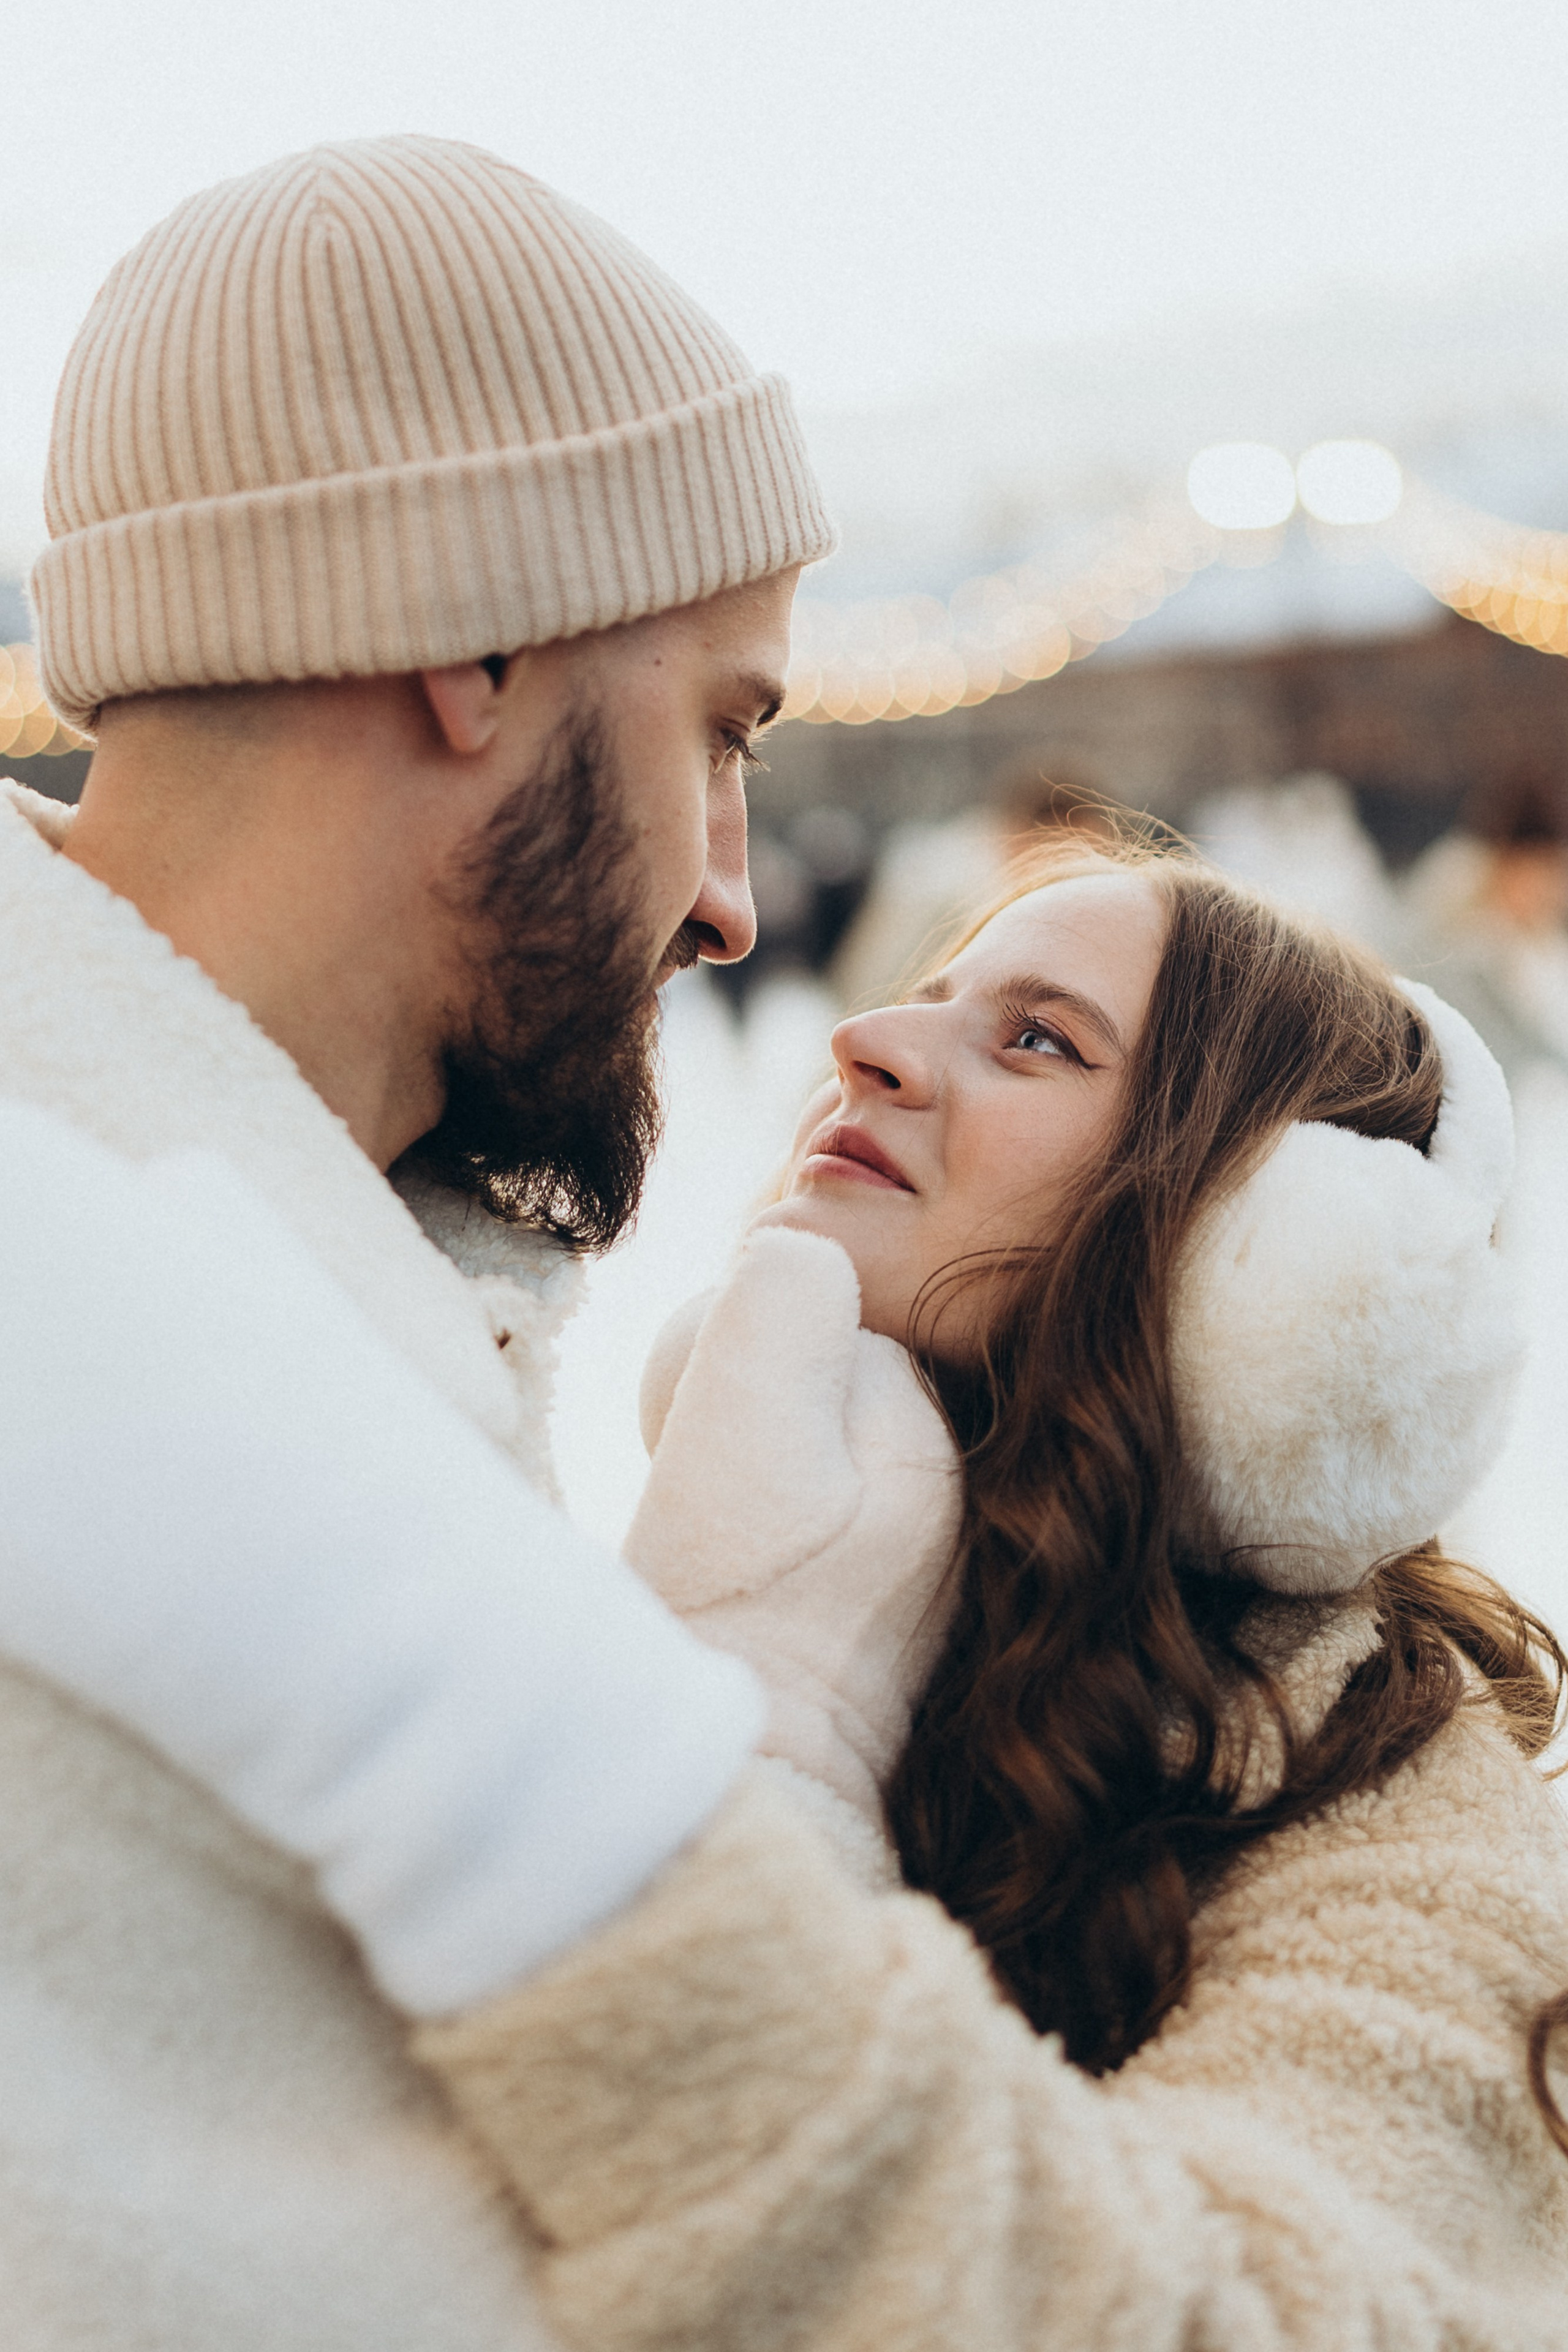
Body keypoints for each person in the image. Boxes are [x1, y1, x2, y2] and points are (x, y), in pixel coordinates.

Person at [2, 835, 1564, 2347]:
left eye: (1036, 1040)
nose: (867, 1036)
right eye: (932, 991)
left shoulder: (1401, 1823)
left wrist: (749, 1789)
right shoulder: (783, 1541)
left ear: (1263, 1263)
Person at [0, 131, 832, 2348]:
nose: (734, 895)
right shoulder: (104, 1313)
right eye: (718, 730)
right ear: (474, 639)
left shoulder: (316, 1247)